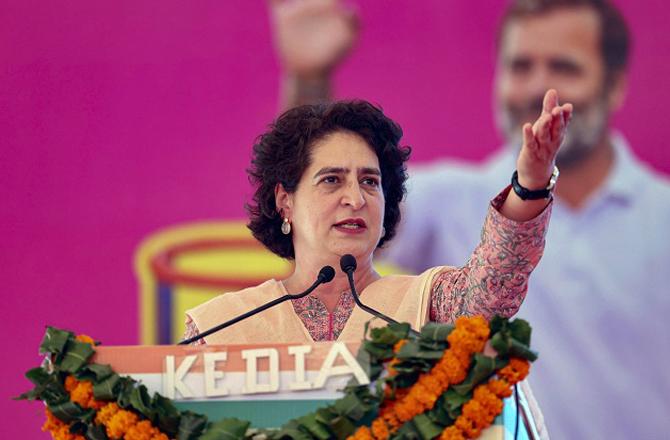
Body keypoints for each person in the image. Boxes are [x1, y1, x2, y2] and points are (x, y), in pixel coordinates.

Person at [269, 0, 670, 438]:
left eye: (564, 67)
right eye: (520, 66)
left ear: (614, 85)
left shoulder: (662, 215)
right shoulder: (452, 200)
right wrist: (310, 81)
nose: (538, 86)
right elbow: (326, 205)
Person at [184, 95, 570, 347]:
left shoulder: (427, 306)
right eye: (332, 180)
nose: (355, 198)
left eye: (370, 182)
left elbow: (494, 287)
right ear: (285, 201)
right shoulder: (222, 328)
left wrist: (530, 186)